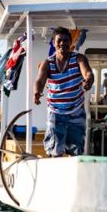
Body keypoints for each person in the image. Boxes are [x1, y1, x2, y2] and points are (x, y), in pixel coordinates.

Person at [34, 27, 94, 157]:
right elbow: (40, 80)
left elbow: (87, 73)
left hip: (76, 110)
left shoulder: (79, 58)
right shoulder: (47, 63)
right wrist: (37, 92)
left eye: (66, 40)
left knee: (76, 149)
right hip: (55, 111)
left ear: (70, 42)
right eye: (59, 40)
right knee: (55, 149)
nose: (62, 43)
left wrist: (88, 81)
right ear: (54, 43)